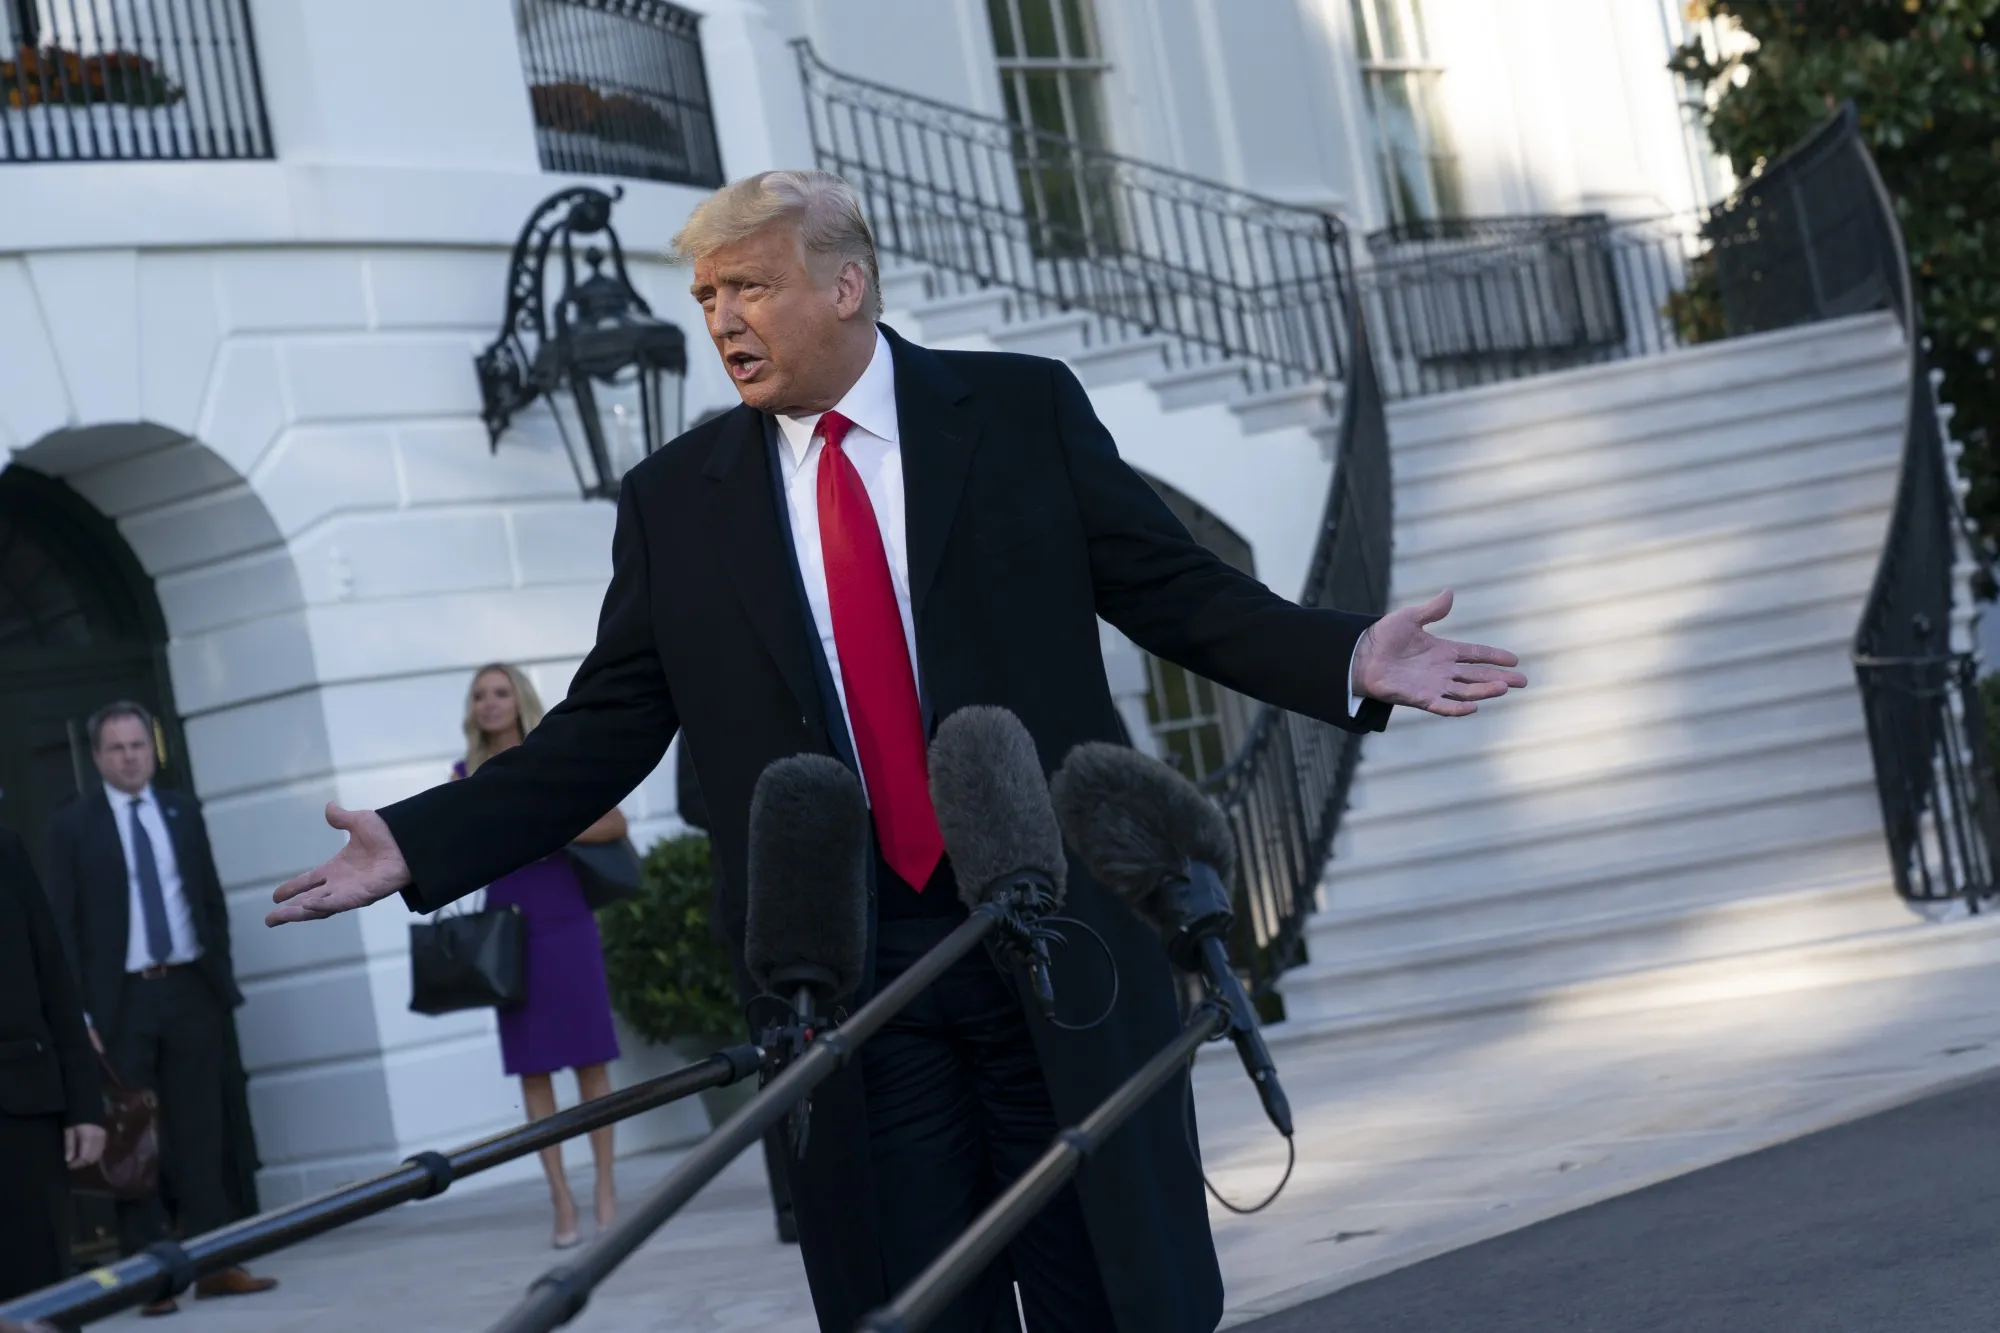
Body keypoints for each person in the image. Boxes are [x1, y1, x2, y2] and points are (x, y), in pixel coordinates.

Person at [266, 170, 1525, 1333]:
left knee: (1118, 1291)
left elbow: (1175, 590)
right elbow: (604, 723)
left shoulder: (1021, 412)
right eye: (706, 296)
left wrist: (1340, 656)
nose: (722, 320)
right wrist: (420, 836)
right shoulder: (674, 499)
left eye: (748, 286)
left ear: (844, 286)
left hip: (1052, 928)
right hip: (846, 978)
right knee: (913, 1300)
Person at [44, 702, 275, 1317]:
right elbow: (61, 927)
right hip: (118, 1002)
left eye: (138, 746)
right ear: (97, 757)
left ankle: (218, 1263)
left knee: (204, 1130)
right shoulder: (73, 826)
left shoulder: (183, 811)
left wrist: (216, 966)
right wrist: (80, 1017)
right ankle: (152, 1280)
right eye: (117, 748)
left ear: (153, 750)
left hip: (189, 990)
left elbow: (208, 898)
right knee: (132, 1141)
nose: (129, 757)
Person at [454, 663, 627, 1249]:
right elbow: (458, 854)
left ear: (520, 699)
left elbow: (614, 823)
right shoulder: (465, 775)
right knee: (533, 1071)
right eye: (480, 696)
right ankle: (560, 1198)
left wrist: (551, 824)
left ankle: (605, 1184)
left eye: (500, 693)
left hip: (566, 922)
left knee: (591, 1064)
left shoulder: (555, 757)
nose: (490, 703)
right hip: (509, 932)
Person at [675, 741, 798, 1246]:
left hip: (837, 896)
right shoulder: (702, 697)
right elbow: (690, 801)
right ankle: (792, 1206)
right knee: (776, 1057)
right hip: (752, 905)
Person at [0, 824, 105, 1303]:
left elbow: (53, 975)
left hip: (19, 1112)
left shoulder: (4, 844)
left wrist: (84, 1103)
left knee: (39, 1300)